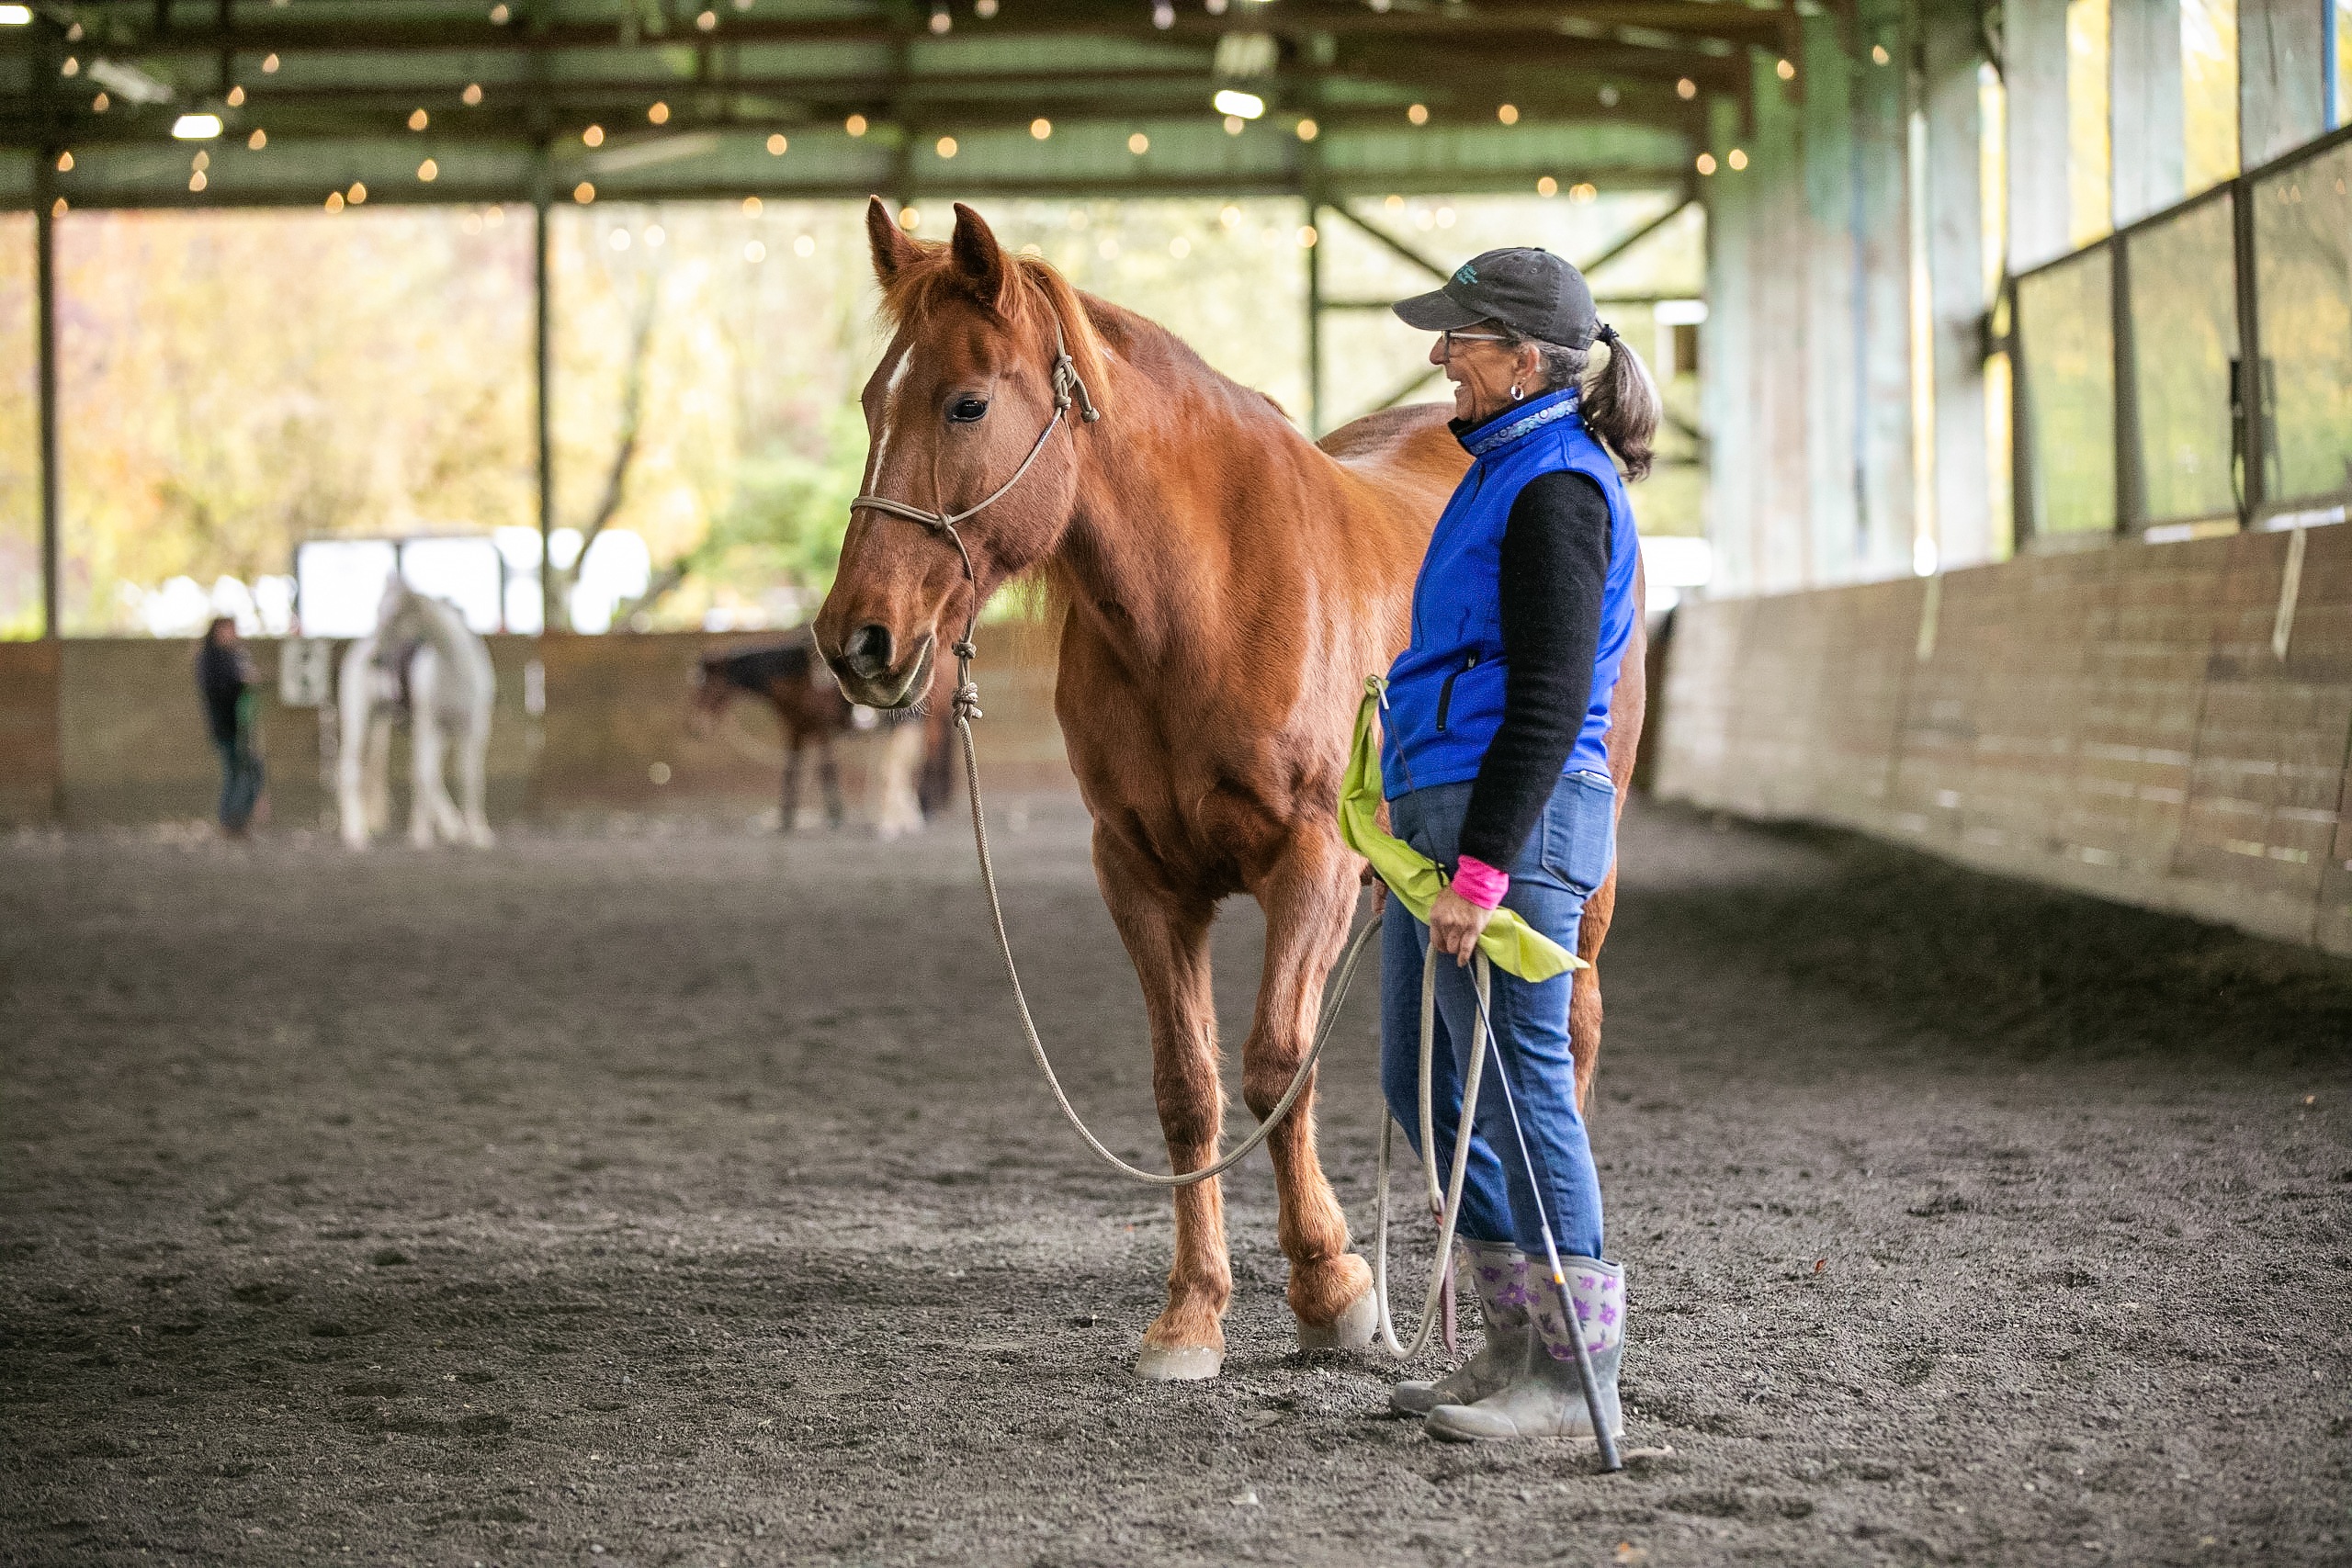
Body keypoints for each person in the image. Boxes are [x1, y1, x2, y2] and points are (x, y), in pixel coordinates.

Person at [1374, 247, 1657, 1443]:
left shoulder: (1558, 488)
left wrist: (1485, 869)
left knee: (1523, 1081)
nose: (1441, 354)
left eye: (1462, 337)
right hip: (1441, 813)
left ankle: (1569, 1369)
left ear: (1525, 357)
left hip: (1515, 826)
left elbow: (1548, 698)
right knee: (1423, 1077)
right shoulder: (1494, 475)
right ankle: (1509, 1342)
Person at [197, 616, 266, 836]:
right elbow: (219, 691)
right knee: (237, 773)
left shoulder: (233, 657)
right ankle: (230, 820)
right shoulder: (211, 659)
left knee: (250, 771)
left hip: (240, 725)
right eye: (230, 630)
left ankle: (235, 820)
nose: (234, 635)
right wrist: (241, 680)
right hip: (226, 726)